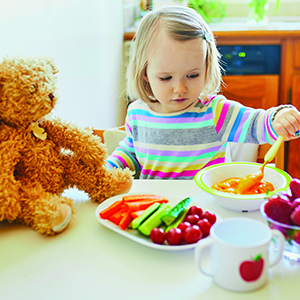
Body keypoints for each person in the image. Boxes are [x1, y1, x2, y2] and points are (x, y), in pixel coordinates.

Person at [107, 6, 300, 180]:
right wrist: (107, 168)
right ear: (145, 73)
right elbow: (131, 152)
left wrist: (280, 119)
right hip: (153, 207)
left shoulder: (216, 113)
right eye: (166, 78)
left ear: (207, 68)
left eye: (192, 75)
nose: (180, 88)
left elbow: (256, 124)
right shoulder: (137, 113)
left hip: (203, 212)